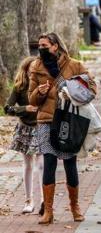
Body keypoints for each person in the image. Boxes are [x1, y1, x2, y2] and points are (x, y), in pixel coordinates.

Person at [29, 32, 96, 224]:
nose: (41, 48)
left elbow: (92, 89)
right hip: (46, 121)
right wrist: (39, 92)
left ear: (55, 46)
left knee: (69, 162)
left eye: (45, 45)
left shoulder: (74, 65)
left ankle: (75, 207)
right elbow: (31, 99)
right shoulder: (36, 66)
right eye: (39, 45)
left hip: (68, 120)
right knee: (49, 163)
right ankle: (48, 211)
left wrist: (71, 90)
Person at [5, 56, 42, 214]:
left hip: (42, 127)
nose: (33, 72)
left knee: (41, 165)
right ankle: (29, 200)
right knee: (28, 165)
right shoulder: (19, 87)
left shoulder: (43, 84)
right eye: (31, 69)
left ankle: (43, 200)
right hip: (25, 129)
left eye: (36, 69)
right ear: (26, 70)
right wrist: (25, 109)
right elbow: (8, 108)